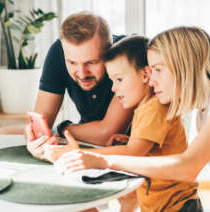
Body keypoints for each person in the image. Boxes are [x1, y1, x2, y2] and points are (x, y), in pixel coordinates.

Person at [57, 26, 210, 212]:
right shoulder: (206, 112)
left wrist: (104, 160)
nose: (151, 81)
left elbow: (187, 167)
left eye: (158, 70)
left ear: (182, 65)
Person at [43, 35, 202, 212]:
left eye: (119, 80)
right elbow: (143, 147)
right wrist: (129, 140)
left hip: (178, 207)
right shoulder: (145, 108)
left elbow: (134, 152)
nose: (113, 88)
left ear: (145, 75)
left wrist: (82, 154)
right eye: (112, 81)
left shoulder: (155, 107)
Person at [22, 11, 133, 161]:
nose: (82, 73)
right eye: (72, 62)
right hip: (84, 138)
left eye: (91, 62)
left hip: (123, 148)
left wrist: (63, 129)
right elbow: (40, 122)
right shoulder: (58, 52)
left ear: (110, 50)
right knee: (4, 132)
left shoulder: (127, 54)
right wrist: (34, 140)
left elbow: (108, 133)